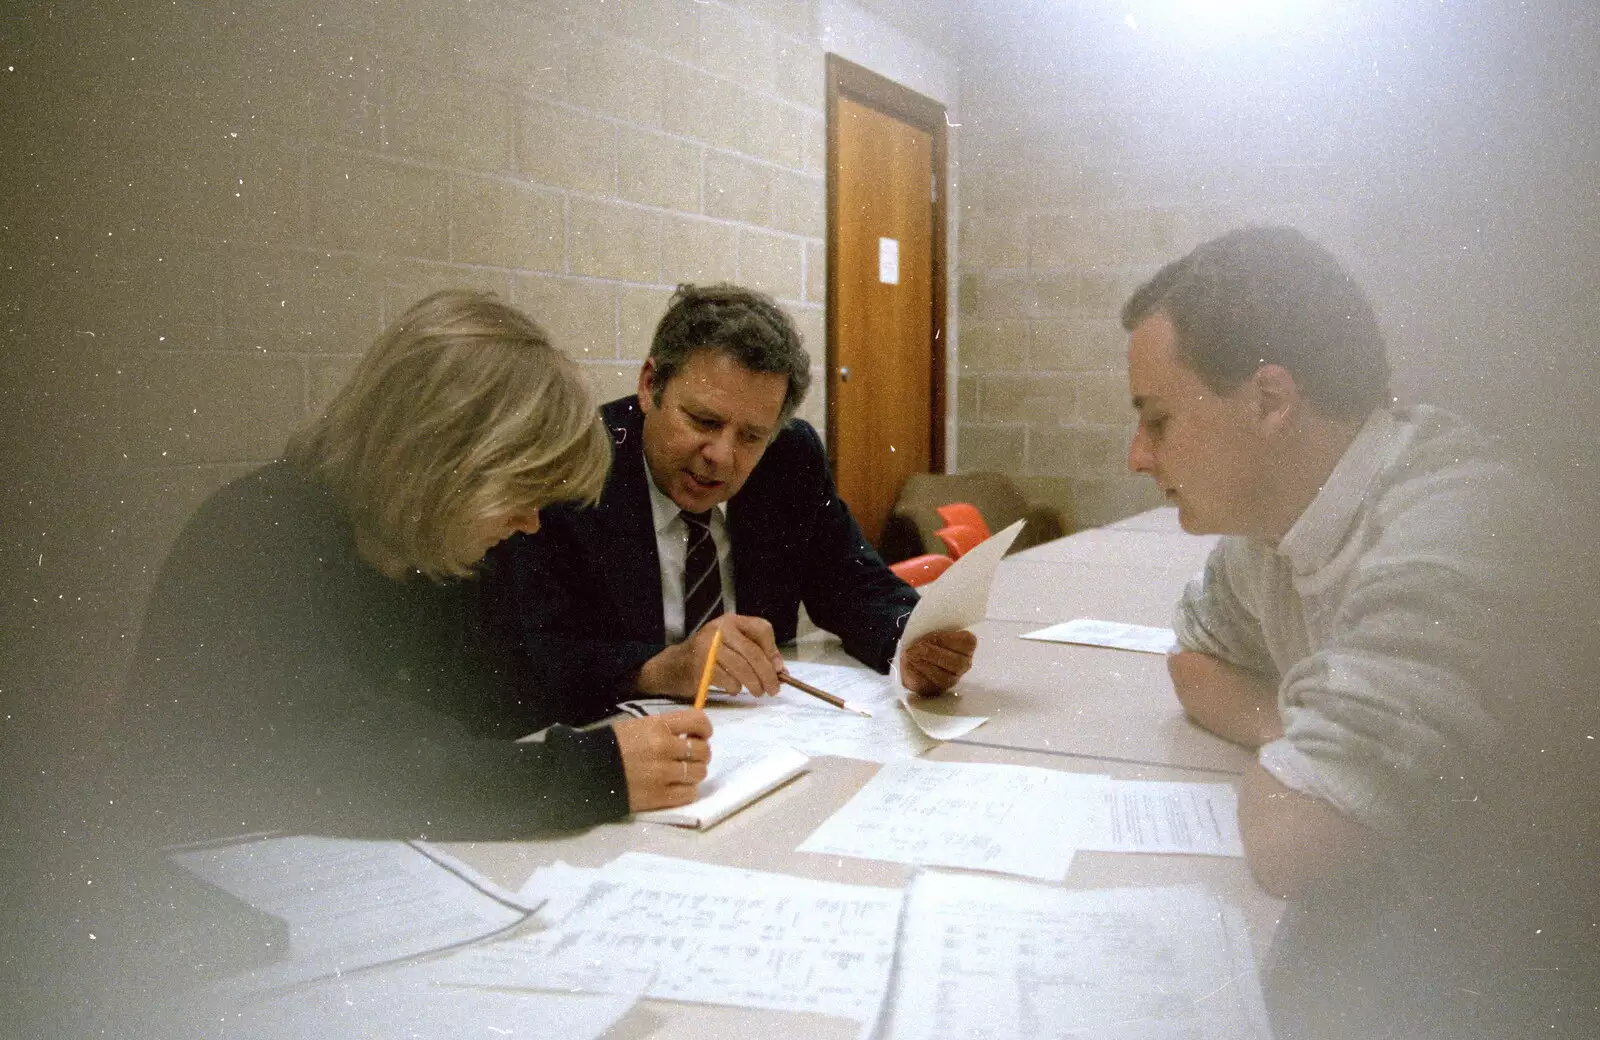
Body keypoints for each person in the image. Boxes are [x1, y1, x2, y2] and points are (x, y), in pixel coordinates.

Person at [35, 290, 714, 1034]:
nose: (530, 522)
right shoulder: (258, 535)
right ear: (439, 460)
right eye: (520, 493)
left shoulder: (449, 554)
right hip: (199, 935)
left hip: (379, 892)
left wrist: (629, 693)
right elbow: (345, 758)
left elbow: (511, 696)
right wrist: (591, 773)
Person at [1122, 226, 1598, 1039]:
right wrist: (1297, 733)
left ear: (1271, 400)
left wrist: (1301, 757)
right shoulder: (1270, 529)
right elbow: (1194, 660)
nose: (1137, 456)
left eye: (1158, 419)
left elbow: (1294, 842)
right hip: (1428, 929)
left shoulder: (1458, 534)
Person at [483, 283, 976, 714]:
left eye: (751, 437)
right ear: (650, 385)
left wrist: (908, 641)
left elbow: (852, 584)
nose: (721, 456)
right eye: (703, 421)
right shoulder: (572, 467)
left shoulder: (790, 457)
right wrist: (661, 668)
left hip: (759, 728)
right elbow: (533, 655)